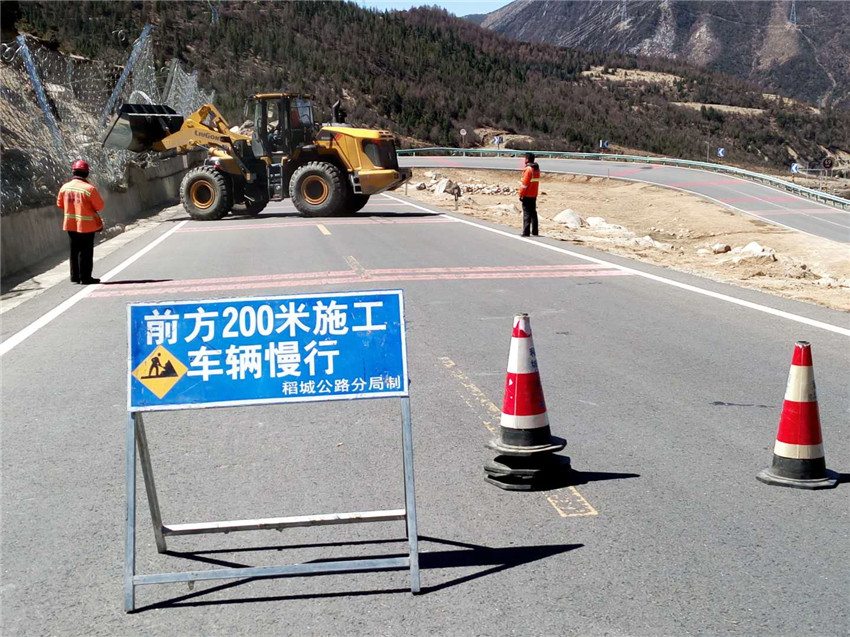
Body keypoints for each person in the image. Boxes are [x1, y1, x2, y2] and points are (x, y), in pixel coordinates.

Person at [57, 159, 104, 284]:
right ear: (86, 173)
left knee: (74, 250)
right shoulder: (89, 189)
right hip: (87, 225)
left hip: (70, 224)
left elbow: (60, 204)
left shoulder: (65, 187)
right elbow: (99, 206)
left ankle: (75, 276)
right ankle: (85, 277)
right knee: (86, 252)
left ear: (73, 172)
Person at [519, 152, 540, 237]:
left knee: (527, 213)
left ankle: (526, 231)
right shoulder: (536, 169)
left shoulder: (528, 169)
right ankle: (535, 231)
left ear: (527, 159)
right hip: (534, 193)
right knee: (533, 212)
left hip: (527, 194)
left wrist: (521, 194)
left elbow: (524, 184)